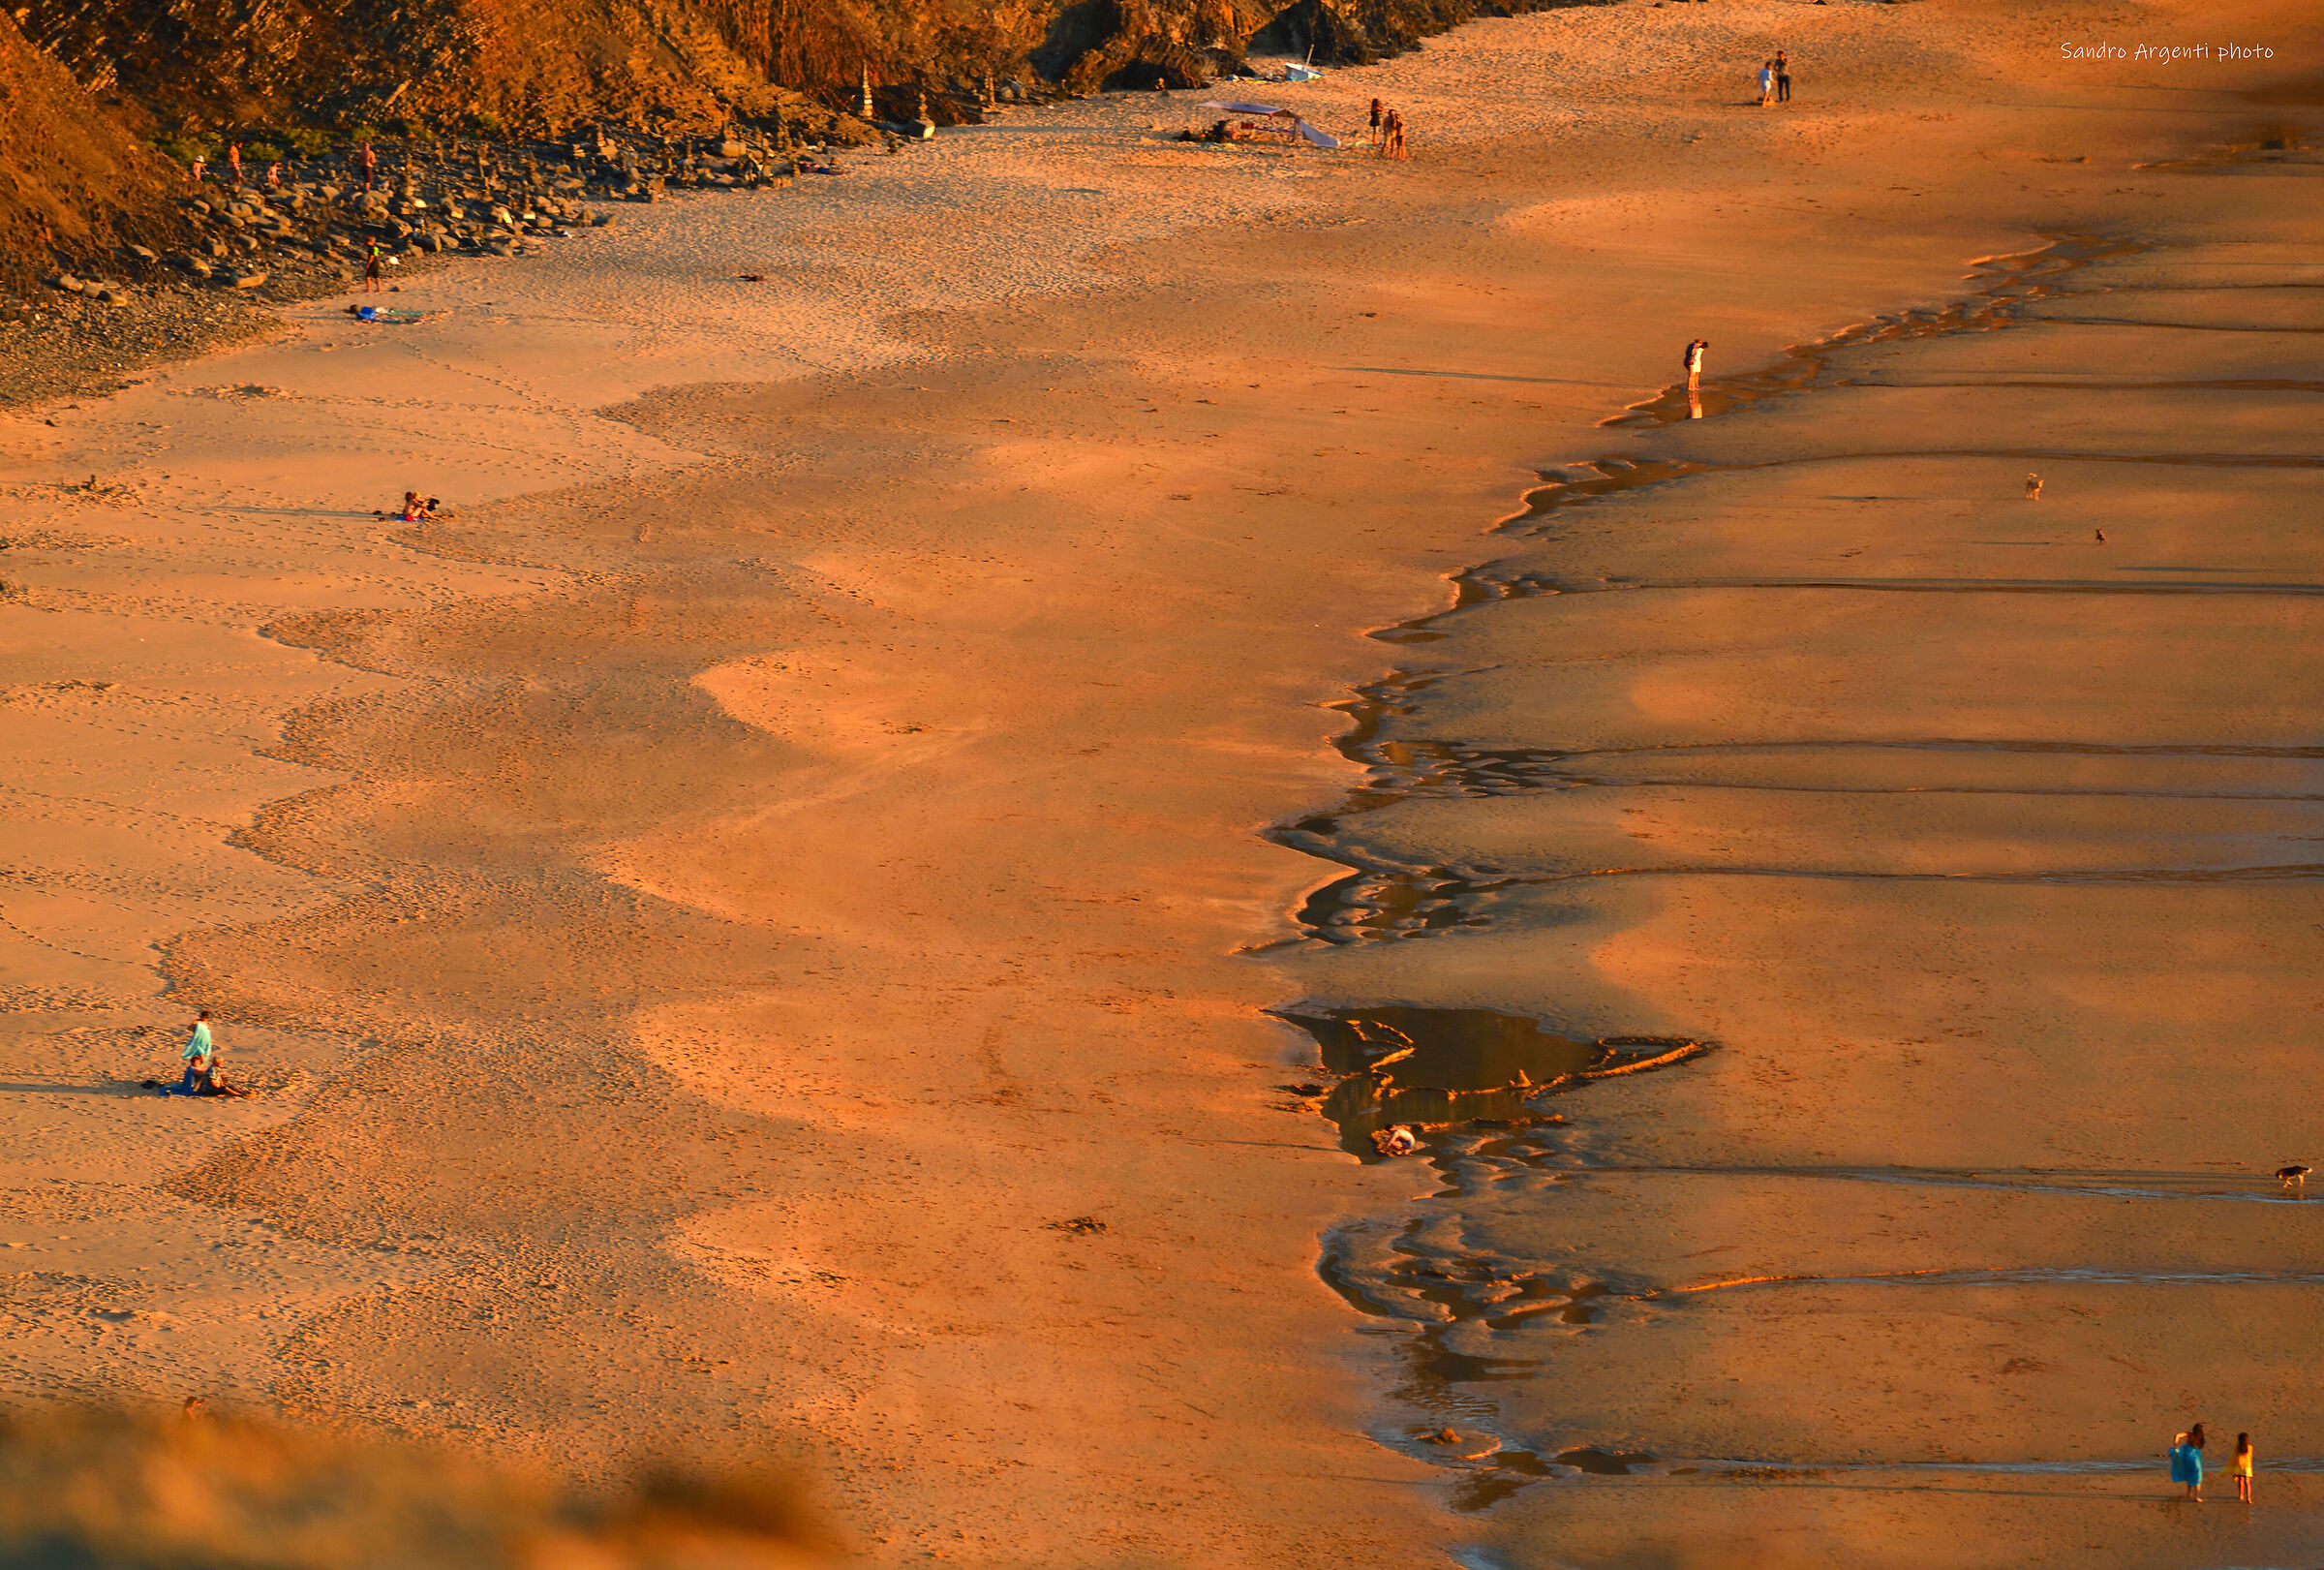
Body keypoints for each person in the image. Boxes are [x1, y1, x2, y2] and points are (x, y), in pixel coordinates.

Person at [178, 1010, 215, 1095]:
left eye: (207, 1018)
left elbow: (208, 1031)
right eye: (204, 1017)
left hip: (205, 1043)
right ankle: (198, 1072)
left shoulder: (206, 1023)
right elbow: (189, 1028)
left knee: (201, 1059)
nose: (205, 1019)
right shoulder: (197, 1022)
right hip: (198, 1042)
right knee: (202, 1057)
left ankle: (199, 1075)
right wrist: (195, 1026)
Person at [2232, 1432, 2253, 1502]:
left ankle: (2241, 1495)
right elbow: (2250, 1457)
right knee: (2247, 1483)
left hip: (2239, 1466)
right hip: (2247, 1466)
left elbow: (2234, 1456)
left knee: (2240, 1481)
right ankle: (2248, 1498)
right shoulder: (2249, 1447)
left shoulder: (2237, 1447)